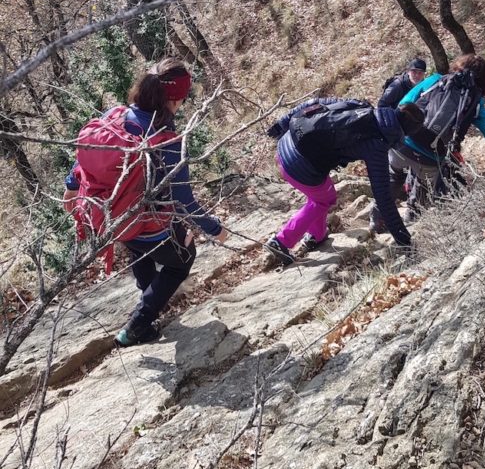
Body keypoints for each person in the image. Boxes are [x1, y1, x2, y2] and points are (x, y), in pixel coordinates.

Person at [64, 58, 228, 347]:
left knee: (139, 249)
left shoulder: (116, 115)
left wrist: (71, 188)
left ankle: (148, 295)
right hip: (145, 220)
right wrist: (214, 228)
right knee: (183, 259)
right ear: (175, 100)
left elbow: (84, 159)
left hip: (111, 215)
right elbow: (183, 199)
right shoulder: (165, 139)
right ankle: (138, 325)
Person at [264, 97, 425, 266]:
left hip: (286, 142)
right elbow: (384, 199)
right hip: (297, 165)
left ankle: (316, 235)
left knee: (323, 192)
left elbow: (314, 103)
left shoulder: (361, 106)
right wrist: (406, 242)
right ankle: (281, 241)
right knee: (323, 199)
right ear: (405, 133)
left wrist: (281, 124)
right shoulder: (377, 144)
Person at [373, 54, 485, 229]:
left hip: (403, 143)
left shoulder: (436, 80)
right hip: (431, 156)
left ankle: (376, 219)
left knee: (392, 178)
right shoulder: (475, 102)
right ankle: (407, 228)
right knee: (420, 196)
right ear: (484, 80)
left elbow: (405, 102)